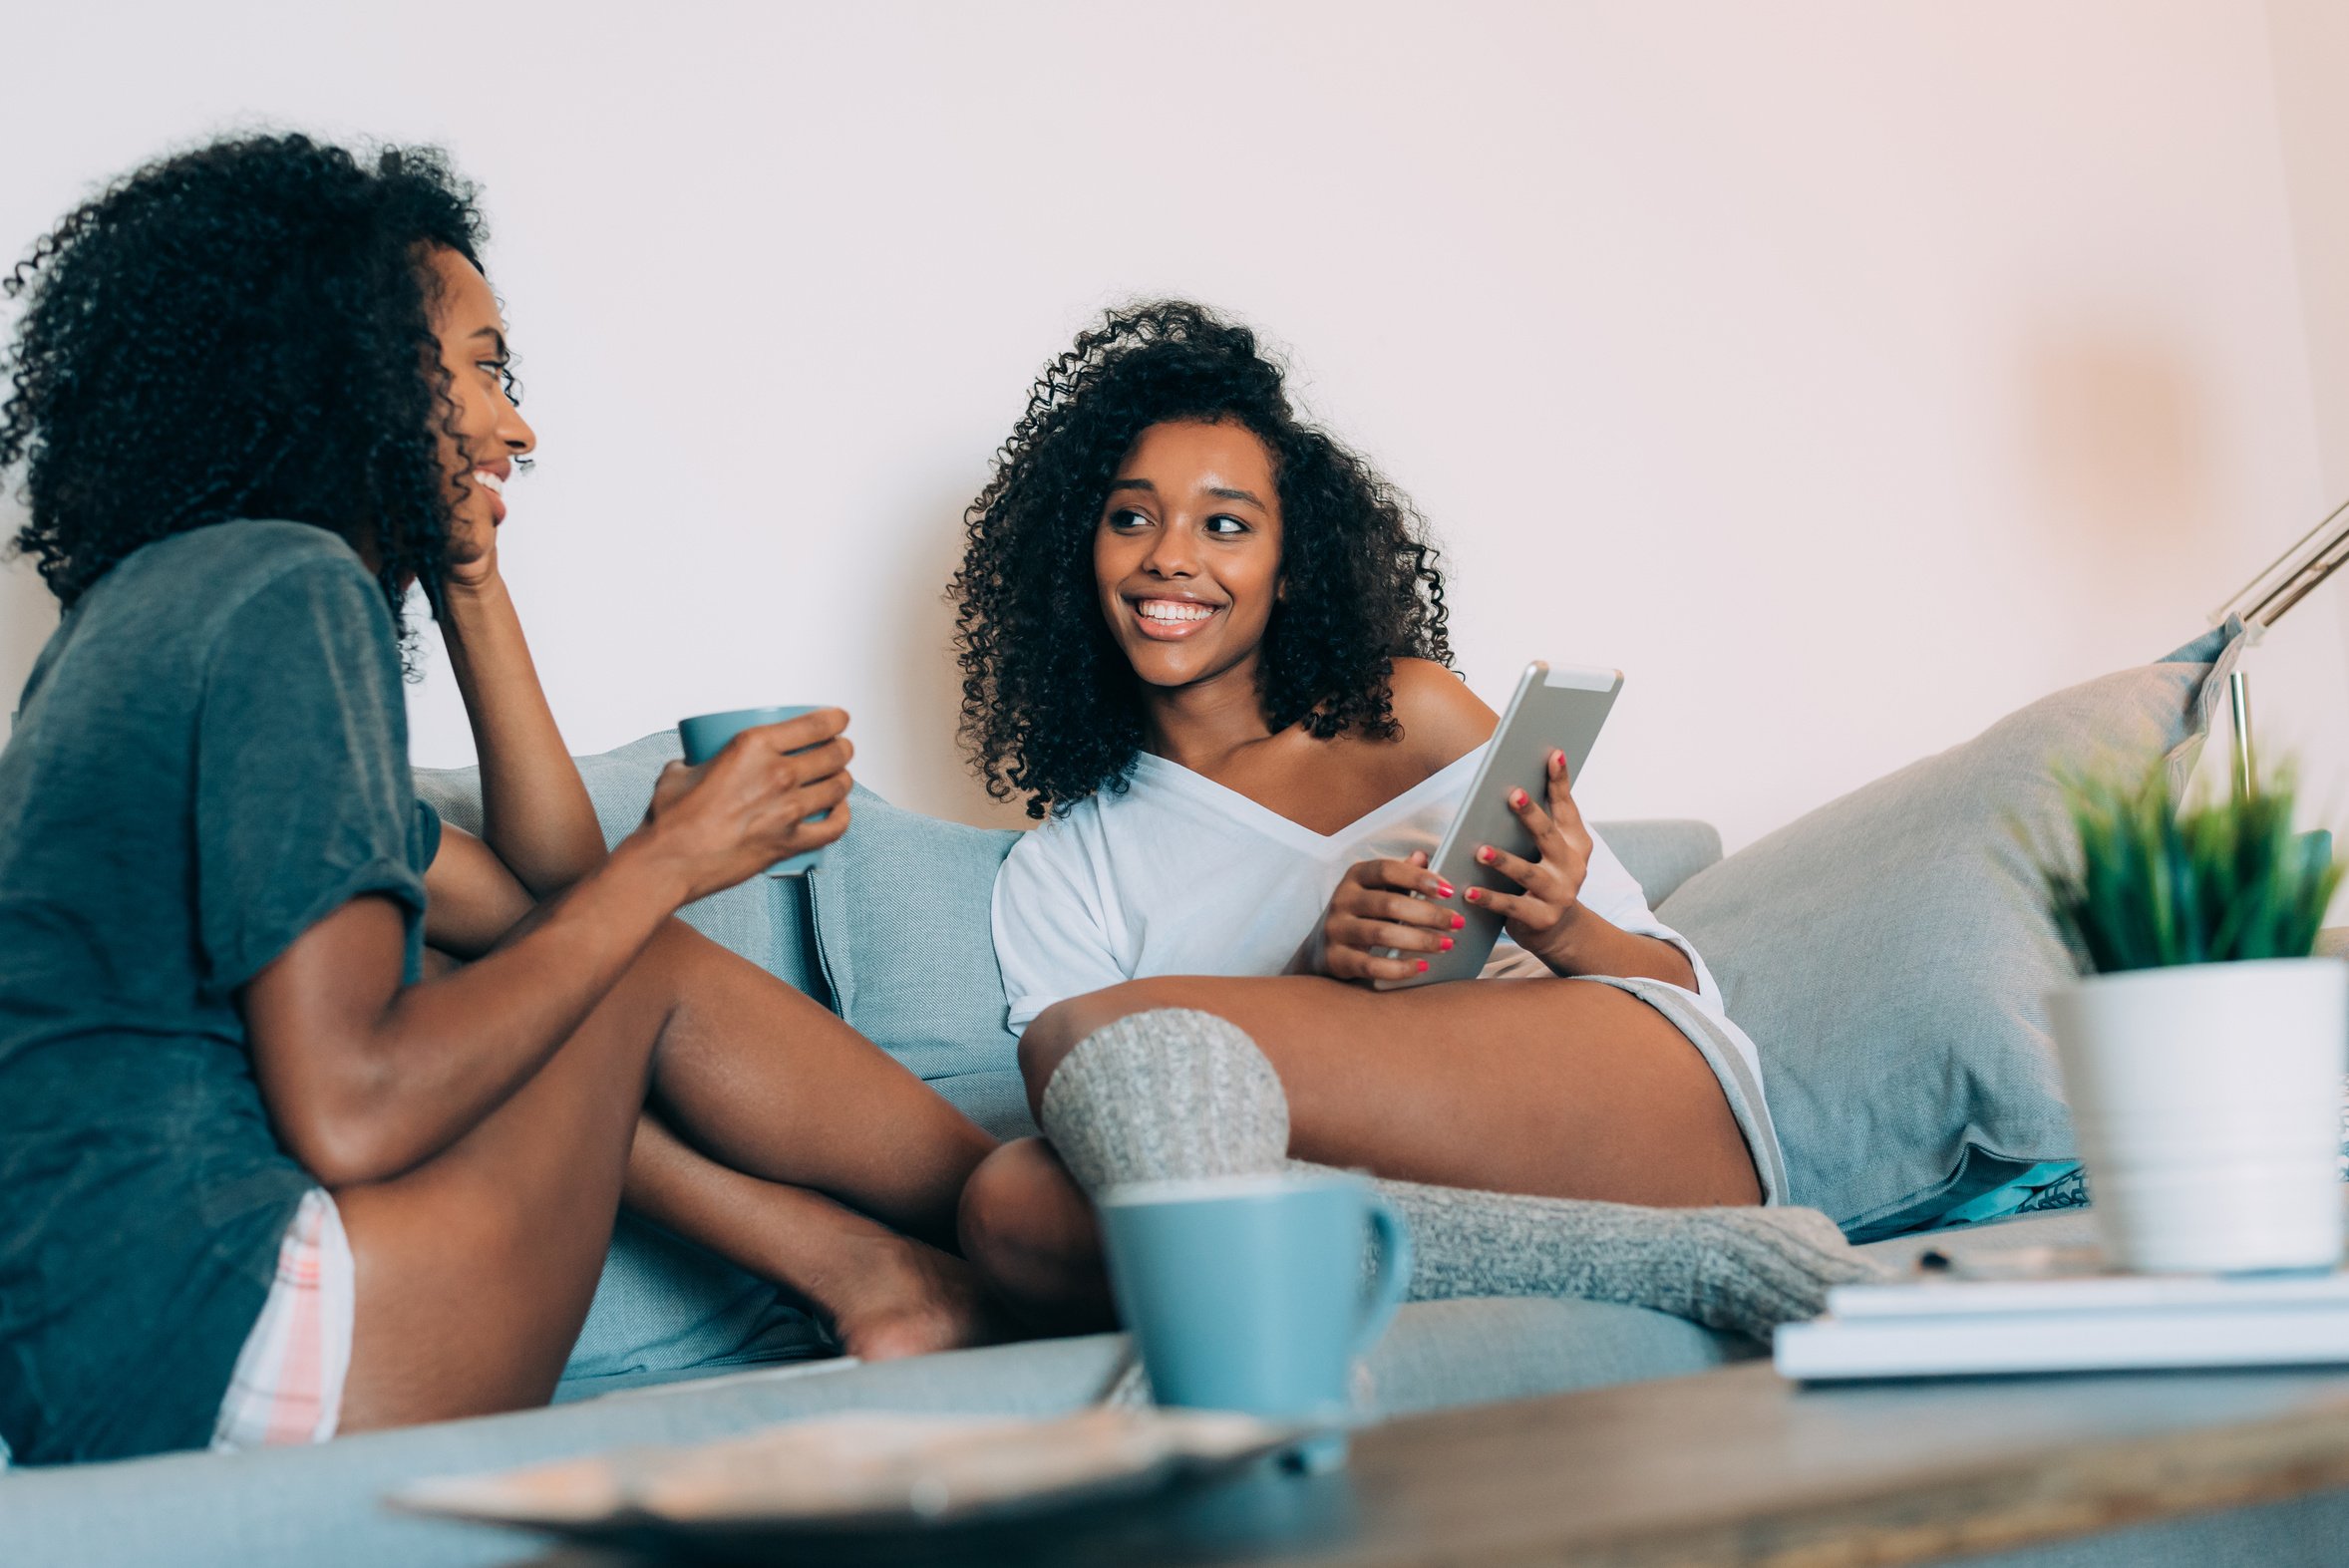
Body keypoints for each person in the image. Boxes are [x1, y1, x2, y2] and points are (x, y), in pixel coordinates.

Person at [0, 135, 998, 1465]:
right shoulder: (291, 596)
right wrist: (678, 853)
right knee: (621, 954)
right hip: (235, 1351)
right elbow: (354, 1104)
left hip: (91, 1366)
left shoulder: (153, 620)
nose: (516, 425)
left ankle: (905, 1262)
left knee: (591, 949)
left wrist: (473, 587)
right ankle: (1020, 1223)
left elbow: (542, 909)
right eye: (474, 368)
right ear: (342, 366)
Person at [949, 302, 1793, 1328]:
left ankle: (1665, 1239)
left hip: (1639, 1107)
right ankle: (1661, 1265)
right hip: (1402, 1182)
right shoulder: (1064, 868)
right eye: (1132, 517)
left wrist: (1561, 922)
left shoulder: (1416, 712)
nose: (1170, 556)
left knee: (1096, 1034)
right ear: (1076, 554)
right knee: (1011, 1204)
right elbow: (1117, 1129)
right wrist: (1317, 975)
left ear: (1290, 564)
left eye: (1225, 524)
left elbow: (1680, 986)